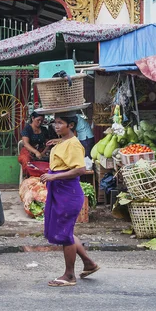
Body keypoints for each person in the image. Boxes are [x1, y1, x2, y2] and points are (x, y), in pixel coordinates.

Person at [40, 114, 100, 287]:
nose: (56, 126)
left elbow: (80, 169)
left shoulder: (74, 144)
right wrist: (58, 142)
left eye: (60, 123)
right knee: (67, 231)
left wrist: (53, 177)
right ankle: (89, 263)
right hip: (61, 192)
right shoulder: (65, 141)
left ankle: (69, 276)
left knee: (66, 234)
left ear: (71, 125)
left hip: (68, 192)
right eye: (55, 123)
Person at [18, 112, 56, 177]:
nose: (40, 122)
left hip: (42, 150)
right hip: (29, 150)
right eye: (38, 120)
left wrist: (43, 152)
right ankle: (28, 177)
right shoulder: (27, 129)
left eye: (42, 120)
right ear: (33, 118)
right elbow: (26, 144)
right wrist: (36, 152)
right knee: (26, 160)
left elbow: (48, 143)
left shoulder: (44, 129)